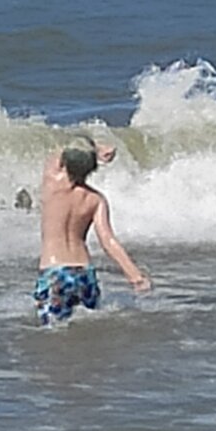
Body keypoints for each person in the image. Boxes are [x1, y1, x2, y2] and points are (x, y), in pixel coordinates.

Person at [33, 134, 151, 325]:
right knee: (85, 330)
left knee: (52, 335)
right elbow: (108, 241)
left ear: (65, 163)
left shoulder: (52, 184)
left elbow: (61, 150)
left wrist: (95, 149)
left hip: (54, 273)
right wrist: (135, 276)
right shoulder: (96, 200)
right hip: (84, 273)